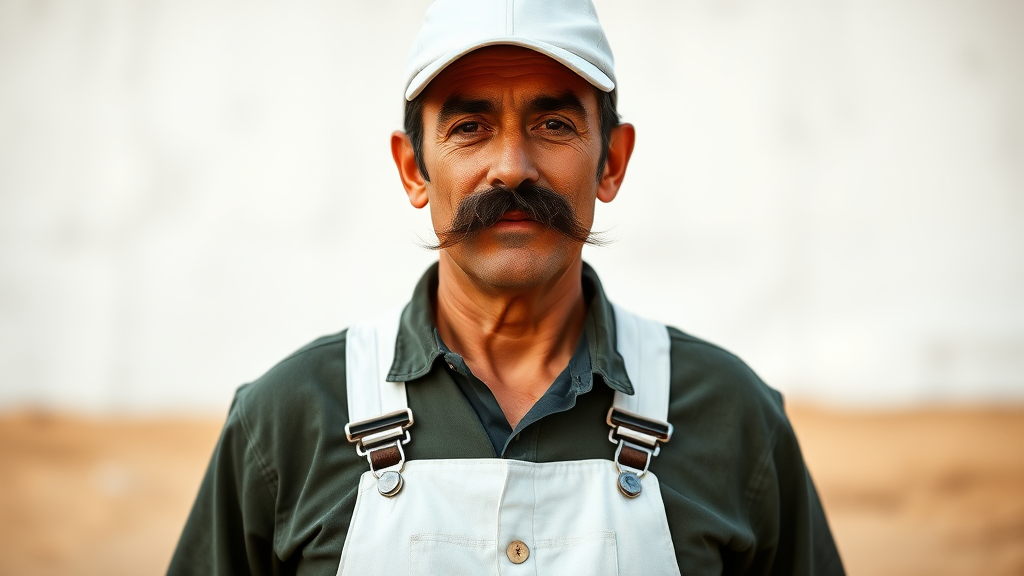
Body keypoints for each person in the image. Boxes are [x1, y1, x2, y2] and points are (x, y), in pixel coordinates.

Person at [168, 0, 845, 574]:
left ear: (611, 161)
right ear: (413, 170)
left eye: (554, 124)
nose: (513, 168)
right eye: (470, 127)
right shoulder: (286, 424)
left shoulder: (735, 420)